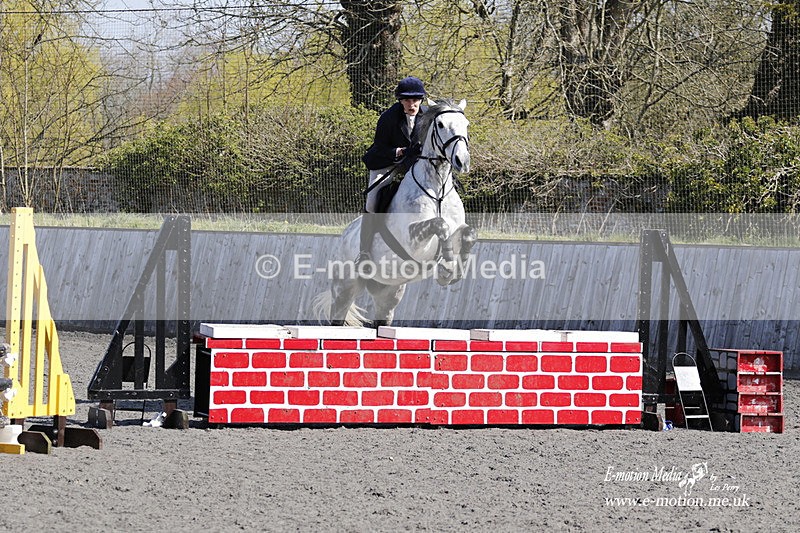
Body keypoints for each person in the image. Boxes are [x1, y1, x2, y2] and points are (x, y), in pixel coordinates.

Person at [357, 76, 427, 264]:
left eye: (415, 100)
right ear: (400, 100)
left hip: (414, 164)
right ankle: (364, 252)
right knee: (372, 203)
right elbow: (379, 147)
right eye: (407, 100)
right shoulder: (388, 118)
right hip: (387, 162)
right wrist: (401, 151)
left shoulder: (428, 117)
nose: (411, 104)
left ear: (421, 99)